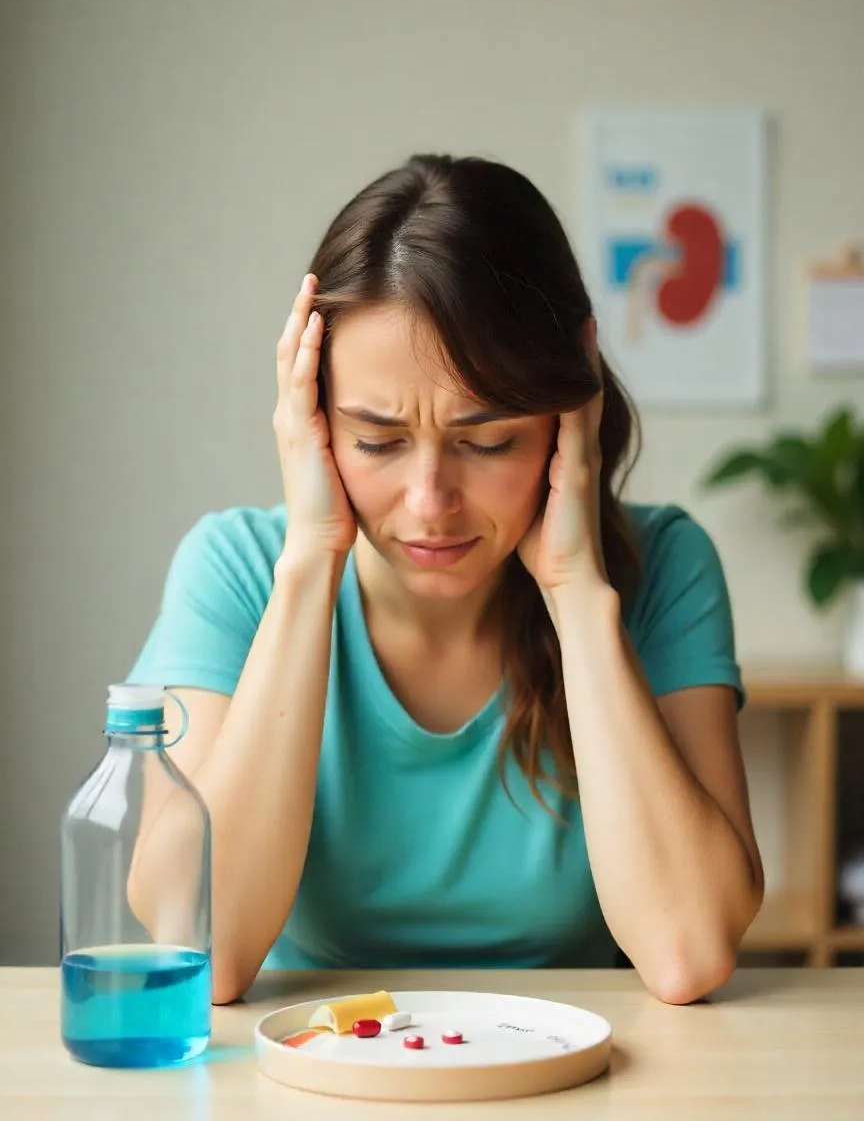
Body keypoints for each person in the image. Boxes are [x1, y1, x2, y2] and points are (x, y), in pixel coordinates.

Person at [125, 153, 764, 1006]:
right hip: (309, 1066)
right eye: (377, 441)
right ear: (311, 420)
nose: (430, 503)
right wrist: (311, 559)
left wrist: (577, 592)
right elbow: (195, 946)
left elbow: (690, 952)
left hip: (574, 1064)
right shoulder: (235, 571)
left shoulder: (662, 568)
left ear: (567, 412)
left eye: (487, 441)